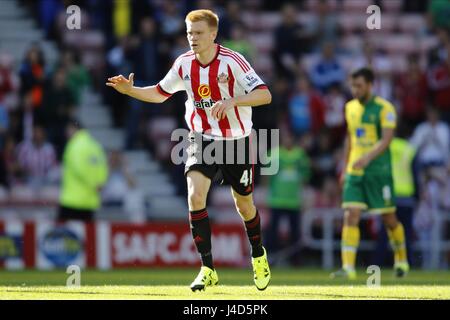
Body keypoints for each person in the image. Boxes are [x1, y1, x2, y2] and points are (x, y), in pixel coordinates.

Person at [107, 9, 272, 291]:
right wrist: (131, 91)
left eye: (197, 33)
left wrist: (233, 102)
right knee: (195, 197)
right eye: (188, 33)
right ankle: (207, 268)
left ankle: (258, 255)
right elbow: (160, 93)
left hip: (237, 141)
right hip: (201, 138)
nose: (192, 38)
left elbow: (265, 95)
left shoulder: (233, 62)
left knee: (244, 206)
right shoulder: (183, 64)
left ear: (213, 34)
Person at [330, 68, 409, 280]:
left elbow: (387, 139)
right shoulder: (349, 108)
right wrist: (345, 166)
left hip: (378, 172)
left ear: (370, 85)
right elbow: (349, 138)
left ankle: (401, 260)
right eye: (352, 86)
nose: (355, 90)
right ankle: (348, 268)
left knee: (389, 219)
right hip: (355, 171)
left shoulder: (385, 108)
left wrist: (367, 158)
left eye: (359, 86)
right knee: (350, 214)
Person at [372, 128, 418, 267]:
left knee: (385, 233)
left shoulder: (383, 147)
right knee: (406, 233)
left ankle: (377, 265)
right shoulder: (409, 149)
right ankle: (406, 263)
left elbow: (377, 172)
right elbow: (415, 173)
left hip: (388, 195)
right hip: (406, 197)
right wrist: (417, 195)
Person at [265, 129, 310, 265]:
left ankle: (296, 260)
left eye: (289, 137)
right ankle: (270, 258)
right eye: (285, 137)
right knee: (272, 233)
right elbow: (266, 178)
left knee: (295, 233)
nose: (287, 140)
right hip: (276, 200)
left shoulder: (300, 155)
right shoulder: (273, 154)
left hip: (294, 201)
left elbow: (305, 176)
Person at [58, 120, 108, 222]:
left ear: (74, 129)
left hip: (72, 200)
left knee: (64, 234)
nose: (66, 134)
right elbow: (103, 167)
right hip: (90, 201)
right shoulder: (95, 146)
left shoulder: (74, 145)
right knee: (86, 235)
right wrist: (99, 184)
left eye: (68, 130)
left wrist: (92, 183)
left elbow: (79, 169)